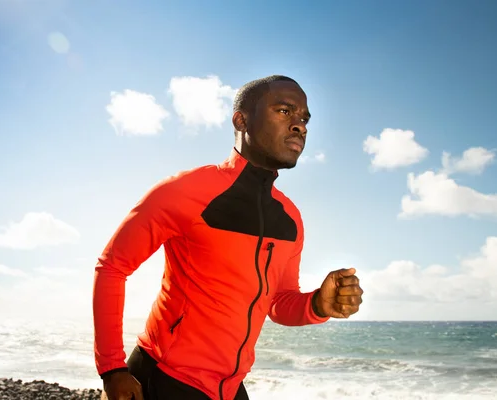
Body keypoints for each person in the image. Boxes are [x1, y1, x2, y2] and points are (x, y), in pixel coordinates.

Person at [92, 75, 364, 400]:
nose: (300, 126)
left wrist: (317, 304)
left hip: (230, 389)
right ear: (241, 119)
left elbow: (278, 302)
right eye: (284, 111)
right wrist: (112, 370)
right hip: (162, 379)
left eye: (304, 118)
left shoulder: (290, 219)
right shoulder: (184, 192)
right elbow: (112, 267)